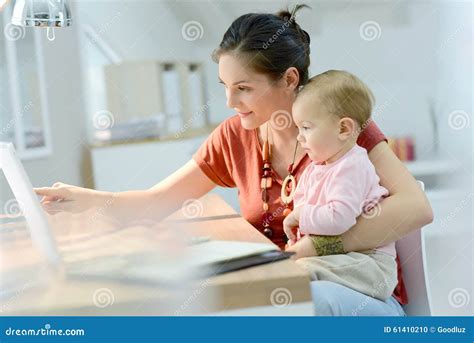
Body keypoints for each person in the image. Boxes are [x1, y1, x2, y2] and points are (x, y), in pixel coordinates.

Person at [34, 5, 433, 316]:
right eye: (226, 86)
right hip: (283, 286)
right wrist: (87, 200)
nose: (229, 101)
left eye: (243, 88)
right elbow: (158, 202)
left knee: (278, 308)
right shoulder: (234, 136)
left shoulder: (340, 127)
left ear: (290, 79)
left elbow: (416, 208)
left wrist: (315, 247)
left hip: (355, 293)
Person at [282, 70, 398, 302]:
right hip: (343, 258)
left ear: (344, 129)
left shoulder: (353, 166)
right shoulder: (317, 167)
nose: (299, 137)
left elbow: (339, 218)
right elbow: (305, 209)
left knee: (298, 271)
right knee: (293, 267)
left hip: (370, 265)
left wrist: (300, 215)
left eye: (306, 127)